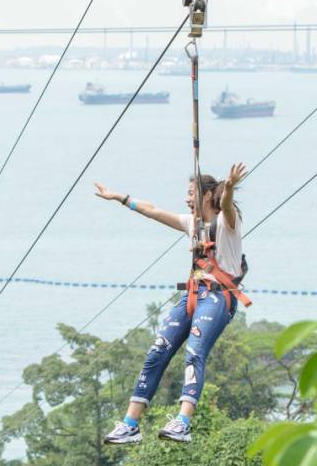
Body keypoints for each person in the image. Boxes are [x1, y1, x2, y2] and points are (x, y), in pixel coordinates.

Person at [93, 163, 250, 444]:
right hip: (193, 294)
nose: (187, 198)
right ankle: (131, 424)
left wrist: (229, 189)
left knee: (194, 352)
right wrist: (119, 198)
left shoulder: (228, 222)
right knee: (157, 351)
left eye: (191, 193)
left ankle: (183, 421)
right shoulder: (192, 223)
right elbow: (153, 211)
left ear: (206, 195)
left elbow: (225, 205)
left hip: (217, 297)